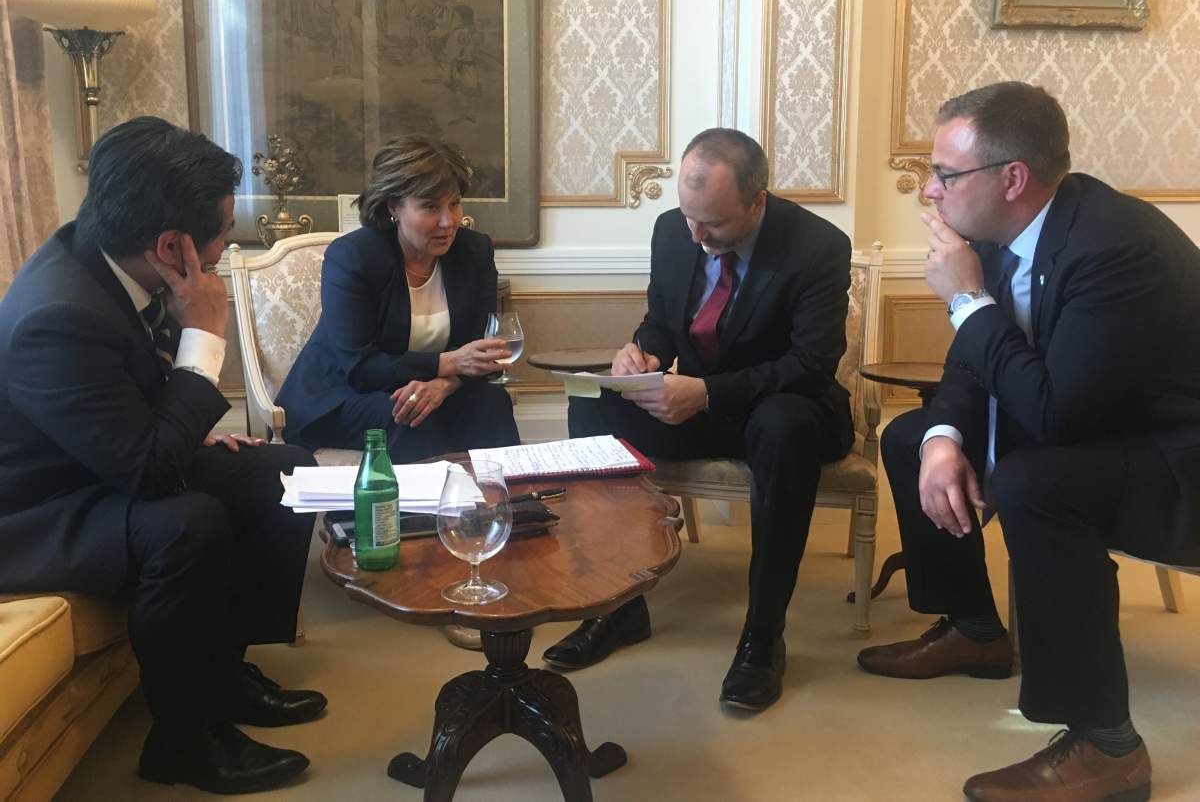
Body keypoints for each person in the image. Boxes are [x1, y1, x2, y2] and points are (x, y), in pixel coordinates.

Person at [856, 82, 1200, 801]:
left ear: (1011, 178)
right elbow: (971, 363)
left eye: (946, 174)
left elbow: (1055, 416)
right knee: (913, 435)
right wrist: (945, 436)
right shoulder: (1000, 232)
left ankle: (1107, 746)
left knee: (1034, 484)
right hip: (1106, 420)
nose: (930, 190)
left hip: (1179, 456)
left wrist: (964, 300)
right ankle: (977, 630)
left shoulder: (1116, 249)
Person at [0, 117, 324, 794]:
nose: (223, 248)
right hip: (35, 512)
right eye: (221, 236)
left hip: (95, 460)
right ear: (172, 247)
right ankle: (181, 741)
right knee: (187, 521)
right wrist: (205, 335)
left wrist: (187, 427)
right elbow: (147, 472)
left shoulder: (104, 256)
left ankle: (223, 677)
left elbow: (122, 403)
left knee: (280, 469)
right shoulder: (56, 316)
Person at [547, 128, 854, 711]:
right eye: (688, 217)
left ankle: (763, 636)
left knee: (784, 425)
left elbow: (811, 364)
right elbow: (662, 320)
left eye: (712, 223)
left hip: (787, 404)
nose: (695, 233)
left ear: (756, 201)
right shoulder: (674, 229)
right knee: (591, 400)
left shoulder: (818, 246)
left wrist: (708, 392)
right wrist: (640, 353)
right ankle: (618, 606)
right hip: (701, 398)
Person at [277, 135, 519, 463]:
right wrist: (448, 364)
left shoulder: (474, 251)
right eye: (431, 207)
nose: (449, 221)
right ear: (393, 207)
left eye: (454, 203)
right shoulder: (353, 257)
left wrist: (444, 384)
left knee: (491, 402)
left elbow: (482, 351)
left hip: (428, 388)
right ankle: (412, 513)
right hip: (342, 395)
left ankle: (511, 503)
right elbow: (360, 367)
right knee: (408, 413)